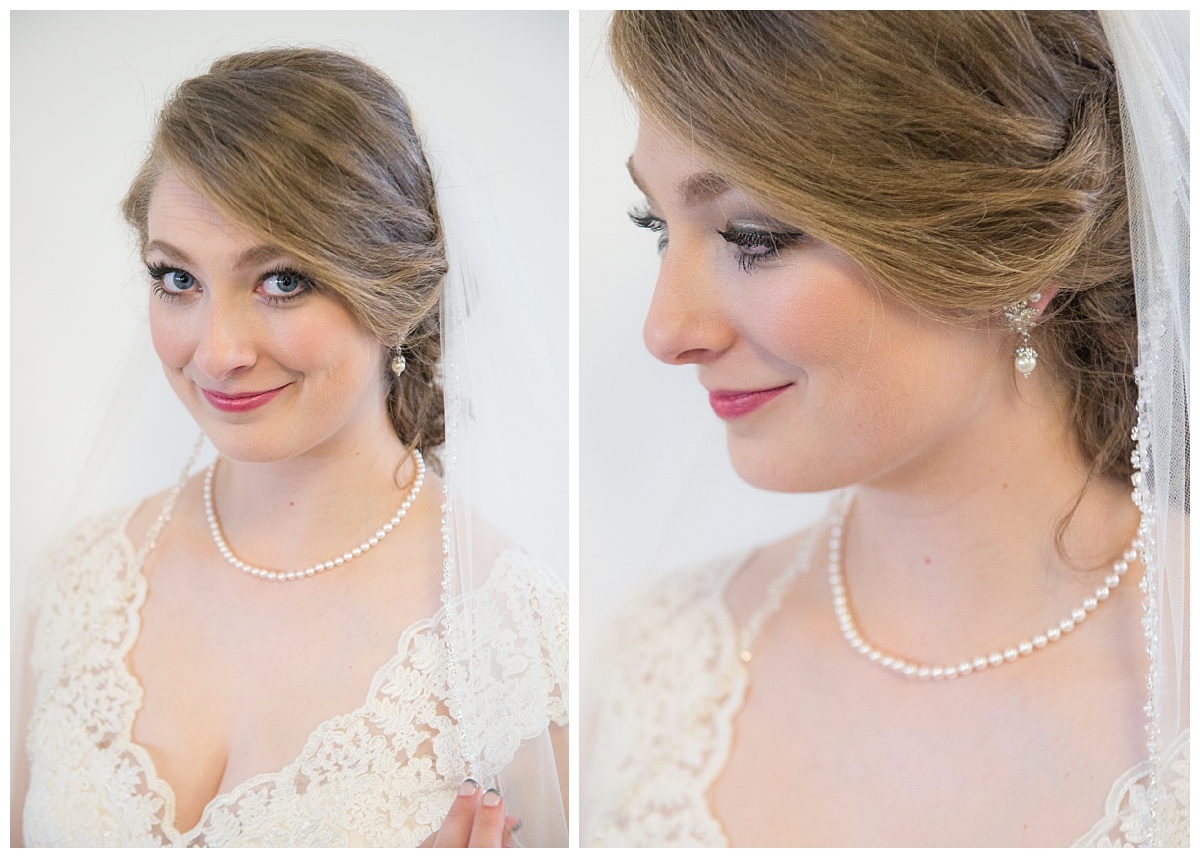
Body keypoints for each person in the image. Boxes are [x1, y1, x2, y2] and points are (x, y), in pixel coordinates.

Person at [583, 11, 1186, 847]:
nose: (665, 330)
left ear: (1015, 252)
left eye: (753, 236)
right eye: (657, 227)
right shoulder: (657, 664)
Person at [15, 45, 567, 847]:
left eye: (282, 280)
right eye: (177, 278)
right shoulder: (76, 582)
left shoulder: (520, 650)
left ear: (397, 291)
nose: (216, 352)